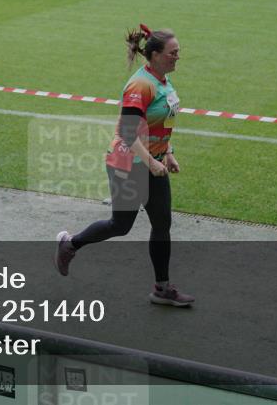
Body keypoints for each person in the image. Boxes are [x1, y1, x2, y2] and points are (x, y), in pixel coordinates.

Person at [55, 24, 193, 307]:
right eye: (173, 53)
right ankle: (70, 244)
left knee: (162, 223)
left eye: (178, 52)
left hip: (152, 161)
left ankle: (162, 288)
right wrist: (151, 161)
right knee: (121, 225)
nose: (177, 57)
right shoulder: (139, 84)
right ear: (154, 55)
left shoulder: (163, 81)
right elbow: (129, 132)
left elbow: (160, 123)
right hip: (128, 164)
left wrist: (167, 153)